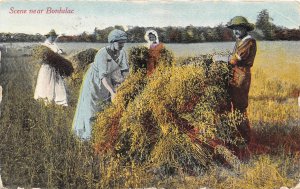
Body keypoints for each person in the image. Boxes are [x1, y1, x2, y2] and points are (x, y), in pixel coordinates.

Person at [72, 29, 129, 140]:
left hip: (109, 81)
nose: (122, 45)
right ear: (112, 42)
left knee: (104, 108)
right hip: (95, 81)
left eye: (124, 42)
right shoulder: (102, 53)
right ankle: (89, 137)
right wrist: (112, 92)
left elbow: (125, 70)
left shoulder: (122, 53)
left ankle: (101, 135)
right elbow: (103, 76)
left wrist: (126, 83)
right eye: (120, 42)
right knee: (92, 108)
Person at [226, 16, 257, 160]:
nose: (236, 31)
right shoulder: (240, 41)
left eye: (239, 28)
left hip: (241, 75)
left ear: (245, 28)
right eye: (234, 29)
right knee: (233, 106)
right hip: (236, 74)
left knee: (239, 107)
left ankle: (244, 140)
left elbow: (234, 59)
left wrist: (224, 61)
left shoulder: (248, 41)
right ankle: (236, 137)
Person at [34, 29, 68, 106]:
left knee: (57, 83)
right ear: (48, 37)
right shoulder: (44, 46)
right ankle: (46, 101)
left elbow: (58, 52)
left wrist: (60, 52)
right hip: (47, 67)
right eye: (52, 37)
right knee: (45, 82)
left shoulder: (54, 45)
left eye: (54, 37)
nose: (53, 38)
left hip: (55, 67)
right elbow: (42, 56)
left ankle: (59, 101)